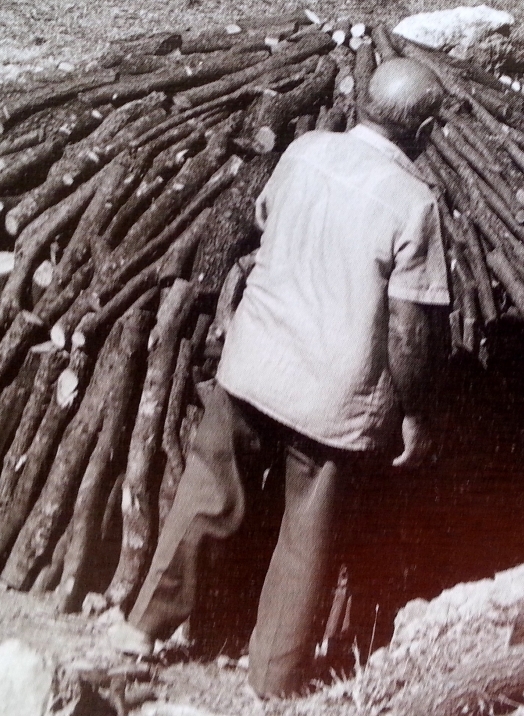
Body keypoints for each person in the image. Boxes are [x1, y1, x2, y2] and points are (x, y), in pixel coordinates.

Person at [109, 58, 452, 698]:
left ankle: (141, 628)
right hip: (333, 395)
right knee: (305, 538)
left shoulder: (305, 151)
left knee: (206, 494)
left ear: (365, 104)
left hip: (256, 362)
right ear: (425, 129)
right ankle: (273, 680)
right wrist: (413, 412)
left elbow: (267, 225)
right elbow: (409, 331)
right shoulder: (414, 205)